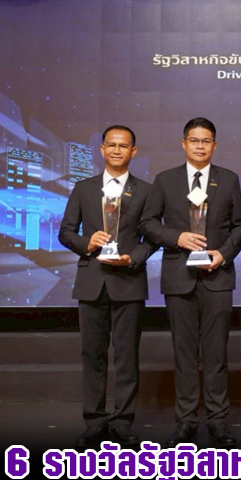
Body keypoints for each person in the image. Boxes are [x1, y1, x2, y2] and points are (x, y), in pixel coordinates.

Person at [140, 117, 241, 448]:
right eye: (194, 140)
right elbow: (148, 223)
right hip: (179, 278)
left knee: (216, 353)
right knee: (184, 353)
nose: (200, 146)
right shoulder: (165, 180)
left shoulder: (228, 179)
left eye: (206, 140)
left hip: (217, 277)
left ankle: (217, 420)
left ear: (214, 145)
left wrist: (223, 254)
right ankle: (185, 421)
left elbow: (240, 226)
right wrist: (177, 237)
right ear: (183, 143)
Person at [59, 124, 156, 449]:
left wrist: (133, 258)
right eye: (111, 145)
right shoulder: (83, 188)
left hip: (128, 281)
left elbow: (152, 238)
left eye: (123, 145)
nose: (117, 150)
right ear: (102, 150)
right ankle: (94, 421)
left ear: (133, 151)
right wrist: (87, 243)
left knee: (127, 356)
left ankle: (123, 421)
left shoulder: (146, 191)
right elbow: (66, 231)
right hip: (92, 282)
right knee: (92, 355)